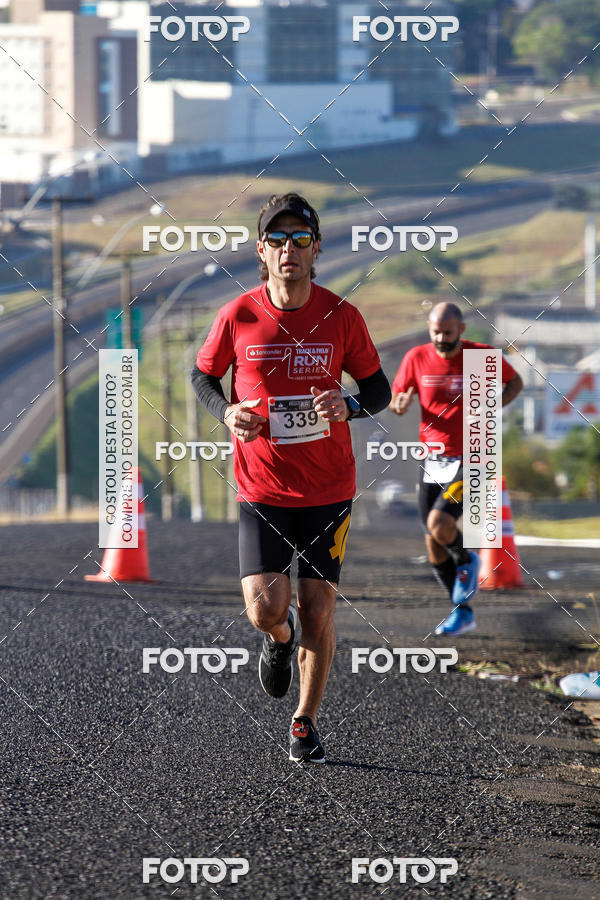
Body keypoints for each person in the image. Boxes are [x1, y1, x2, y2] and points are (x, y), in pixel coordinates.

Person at [191, 193, 391, 762]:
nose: (289, 251)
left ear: (316, 249)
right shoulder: (239, 315)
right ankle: (279, 643)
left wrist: (349, 407)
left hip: (329, 488)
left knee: (319, 609)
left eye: (300, 240)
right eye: (277, 241)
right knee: (267, 610)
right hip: (262, 487)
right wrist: (226, 412)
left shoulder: (341, 315)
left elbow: (377, 387)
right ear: (262, 251)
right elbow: (202, 376)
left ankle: (305, 720)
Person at [390, 302, 523, 636]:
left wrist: (491, 408)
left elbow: (515, 383)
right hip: (433, 458)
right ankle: (463, 611)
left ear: (461, 330)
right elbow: (397, 397)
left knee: (440, 522)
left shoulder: (480, 357)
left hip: (473, 456)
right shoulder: (416, 358)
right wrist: (400, 404)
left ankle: (466, 560)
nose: (440, 338)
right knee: (433, 541)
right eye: (435, 331)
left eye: (447, 333)